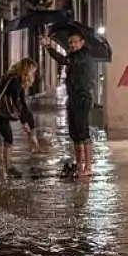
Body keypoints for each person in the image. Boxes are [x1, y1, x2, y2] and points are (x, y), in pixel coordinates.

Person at [41, 31, 95, 177]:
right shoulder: (74, 56)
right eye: (70, 42)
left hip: (82, 99)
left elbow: (65, 60)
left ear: (82, 42)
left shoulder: (83, 56)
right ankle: (79, 165)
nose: (71, 45)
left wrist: (49, 47)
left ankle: (88, 166)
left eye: (74, 42)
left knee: (83, 133)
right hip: (72, 98)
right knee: (75, 134)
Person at [0, 57, 41, 178]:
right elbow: (17, 103)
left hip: (4, 111)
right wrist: (24, 123)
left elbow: (23, 105)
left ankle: (8, 168)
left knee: (9, 137)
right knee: (8, 137)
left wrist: (31, 128)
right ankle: (7, 170)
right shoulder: (14, 80)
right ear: (26, 69)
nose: (33, 74)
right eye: (33, 70)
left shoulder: (19, 80)